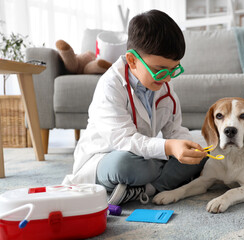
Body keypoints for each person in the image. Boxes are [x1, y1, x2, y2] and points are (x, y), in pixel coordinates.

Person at [62, 9, 208, 205]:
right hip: (107, 158)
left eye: (173, 70)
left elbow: (175, 129)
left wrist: (185, 144)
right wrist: (168, 148)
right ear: (132, 60)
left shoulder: (164, 85)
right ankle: (159, 181)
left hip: (146, 154)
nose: (167, 78)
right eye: (159, 70)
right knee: (126, 165)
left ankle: (147, 189)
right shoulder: (110, 85)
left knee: (200, 153)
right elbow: (124, 140)